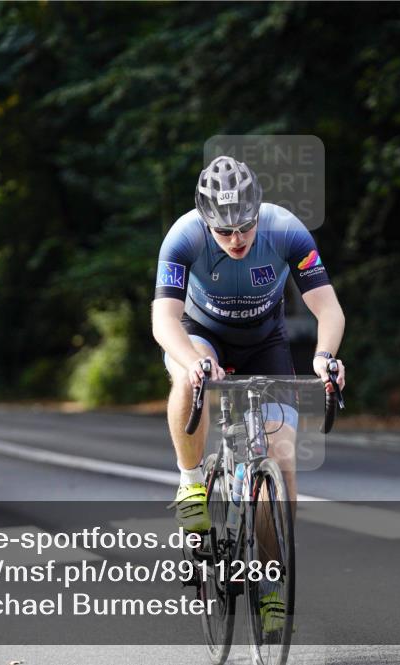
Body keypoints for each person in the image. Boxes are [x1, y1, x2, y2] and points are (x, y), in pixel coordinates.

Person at [152, 155, 347, 631]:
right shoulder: (184, 237)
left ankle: (270, 585)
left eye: (245, 226)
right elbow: (164, 320)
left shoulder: (287, 232)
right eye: (225, 231)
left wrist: (324, 358)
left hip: (265, 342)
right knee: (185, 376)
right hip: (201, 334)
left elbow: (330, 311)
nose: (236, 239)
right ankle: (191, 481)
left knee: (281, 461)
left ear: (259, 212)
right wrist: (194, 361)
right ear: (206, 221)